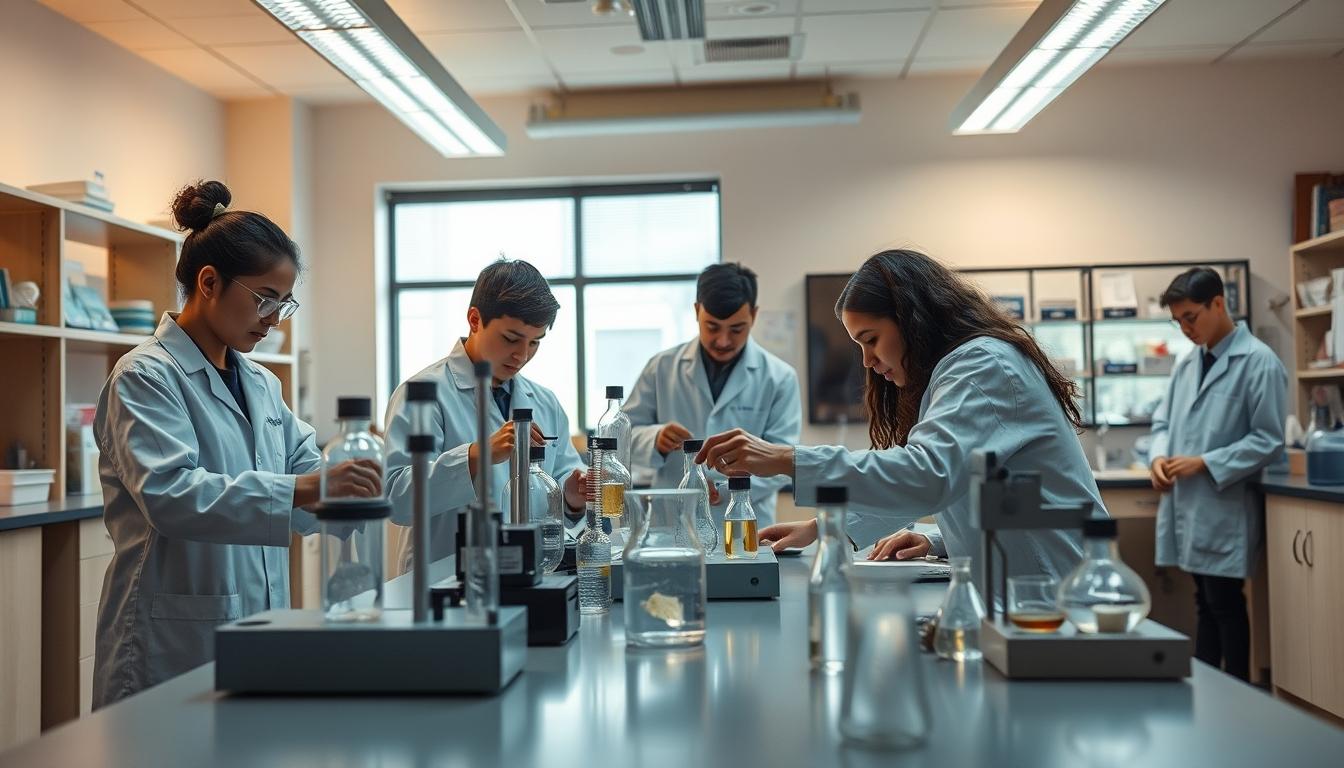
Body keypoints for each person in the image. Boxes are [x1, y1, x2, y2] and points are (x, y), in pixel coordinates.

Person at [92, 181, 381, 708]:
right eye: (264, 299)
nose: (273, 319)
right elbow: (172, 496)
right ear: (208, 282)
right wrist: (305, 489)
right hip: (173, 640)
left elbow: (303, 469)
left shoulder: (261, 383)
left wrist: (349, 476)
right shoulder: (146, 377)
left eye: (283, 303)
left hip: (259, 628)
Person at [696, 249, 1103, 583]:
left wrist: (789, 459)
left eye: (871, 340)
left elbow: (926, 476)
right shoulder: (960, 371)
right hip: (1028, 590)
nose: (868, 361)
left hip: (1055, 593)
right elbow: (981, 491)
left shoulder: (983, 366)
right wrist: (823, 529)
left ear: (914, 320)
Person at [384, 259, 587, 571]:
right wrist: (476, 455)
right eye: (510, 338)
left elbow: (560, 483)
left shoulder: (545, 402)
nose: (522, 355)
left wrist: (573, 493)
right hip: (444, 578)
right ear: (475, 319)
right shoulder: (422, 394)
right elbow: (397, 498)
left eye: (535, 343)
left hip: (529, 575)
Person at [1148, 267, 1285, 681]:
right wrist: (1158, 458)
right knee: (1204, 604)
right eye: (1178, 322)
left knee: (1224, 605)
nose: (1186, 328)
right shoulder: (1188, 365)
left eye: (1191, 316)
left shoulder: (1260, 362)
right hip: (1189, 504)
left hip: (1223, 506)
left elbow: (1268, 439)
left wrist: (1205, 461)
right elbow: (1162, 425)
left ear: (1219, 304)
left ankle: (1235, 694)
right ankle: (1207, 696)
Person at [624, 263, 801, 525]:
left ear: (754, 315)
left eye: (736, 329)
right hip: (672, 521)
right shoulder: (661, 367)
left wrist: (727, 489)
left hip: (744, 524)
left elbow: (782, 461)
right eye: (713, 327)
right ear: (697, 311)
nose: (723, 341)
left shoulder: (780, 378)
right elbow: (622, 435)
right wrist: (655, 439)